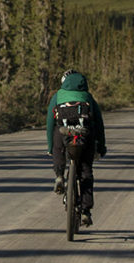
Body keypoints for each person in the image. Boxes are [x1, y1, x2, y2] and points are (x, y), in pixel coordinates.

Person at [46, 69, 106, 227]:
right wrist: (101, 147)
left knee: (58, 140)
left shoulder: (58, 96)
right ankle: (86, 211)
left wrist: (51, 147)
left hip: (63, 134)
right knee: (86, 171)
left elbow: (50, 122)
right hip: (85, 135)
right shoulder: (88, 97)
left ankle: (59, 175)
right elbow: (99, 124)